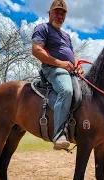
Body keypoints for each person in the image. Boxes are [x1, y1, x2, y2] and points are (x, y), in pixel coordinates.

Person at [31, 0, 81, 150]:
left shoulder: (66, 36)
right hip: (53, 69)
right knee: (66, 90)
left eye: (62, 13)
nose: (59, 16)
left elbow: (73, 54)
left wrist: (78, 65)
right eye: (56, 12)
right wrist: (60, 63)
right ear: (49, 13)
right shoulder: (43, 28)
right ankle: (59, 134)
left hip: (70, 71)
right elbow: (36, 50)